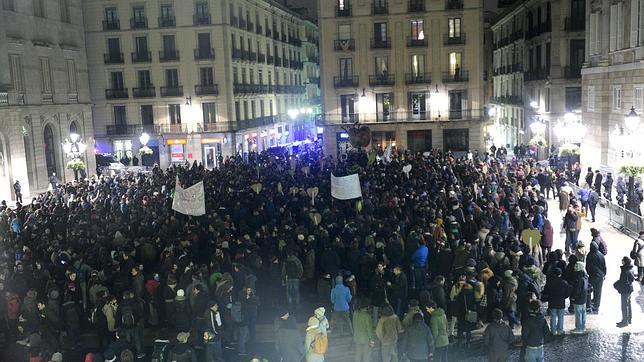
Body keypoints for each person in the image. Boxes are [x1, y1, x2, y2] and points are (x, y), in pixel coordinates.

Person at [541, 268, 568, 336]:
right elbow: (567, 293)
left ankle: (553, 331)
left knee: (553, 317)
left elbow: (546, 292)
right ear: (560, 274)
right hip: (561, 302)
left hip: (552, 302)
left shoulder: (549, 283)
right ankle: (560, 331)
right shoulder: (564, 282)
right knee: (561, 317)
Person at [585, 242, 606, 313]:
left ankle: (588, 305)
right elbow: (604, 266)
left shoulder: (590, 255)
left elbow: (587, 266)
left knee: (589, 290)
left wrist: (588, 273)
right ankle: (596, 306)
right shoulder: (601, 255)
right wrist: (604, 274)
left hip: (593, 275)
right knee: (598, 291)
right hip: (600, 276)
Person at [616, 257, 635, 327]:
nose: (622, 261)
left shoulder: (625, 271)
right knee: (628, 305)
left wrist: (618, 285)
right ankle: (629, 319)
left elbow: (624, 281)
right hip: (629, 289)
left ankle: (625, 321)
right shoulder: (631, 269)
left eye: (623, 260)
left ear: (625, 262)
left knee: (624, 305)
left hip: (625, 290)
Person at [570, 261, 588, 334]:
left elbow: (577, 289)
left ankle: (579, 328)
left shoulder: (578, 277)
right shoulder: (585, 276)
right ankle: (582, 326)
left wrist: (574, 297)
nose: (574, 268)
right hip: (583, 297)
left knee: (578, 313)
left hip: (579, 298)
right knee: (583, 312)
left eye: (576, 266)